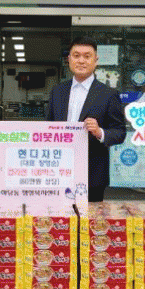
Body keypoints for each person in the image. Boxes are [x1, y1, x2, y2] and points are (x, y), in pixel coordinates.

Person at [47, 36, 126, 202]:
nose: (81, 61)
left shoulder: (108, 94)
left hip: (92, 174)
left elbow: (119, 132)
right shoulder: (57, 91)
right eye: (76, 56)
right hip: (59, 171)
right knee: (59, 216)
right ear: (69, 59)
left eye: (87, 56)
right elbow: (48, 127)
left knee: (91, 218)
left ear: (96, 60)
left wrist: (99, 132)